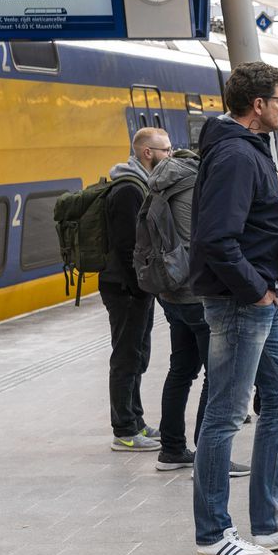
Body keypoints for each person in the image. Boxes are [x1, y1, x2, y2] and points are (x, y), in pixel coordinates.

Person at [190, 62, 278, 555]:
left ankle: (269, 524)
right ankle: (212, 534)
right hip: (241, 304)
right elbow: (216, 238)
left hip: (257, 300)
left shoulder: (248, 149)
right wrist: (256, 291)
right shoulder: (234, 155)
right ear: (259, 106)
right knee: (224, 416)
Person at [151, 148, 250, 477]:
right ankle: (210, 457)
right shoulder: (197, 184)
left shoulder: (159, 184)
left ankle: (172, 449)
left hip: (170, 291)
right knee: (216, 376)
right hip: (198, 293)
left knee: (180, 370)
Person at [101, 127, 164, 453]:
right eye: (164, 150)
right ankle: (124, 429)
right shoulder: (128, 189)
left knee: (137, 354)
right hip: (125, 289)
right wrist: (142, 286)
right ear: (147, 153)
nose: (169, 154)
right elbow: (129, 248)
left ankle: (136, 420)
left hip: (133, 288)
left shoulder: (139, 184)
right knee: (126, 357)